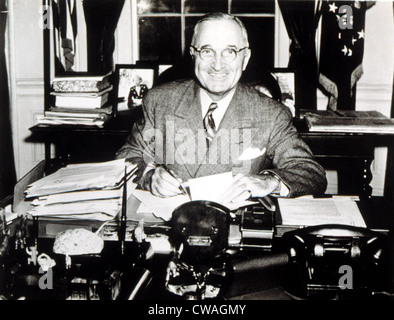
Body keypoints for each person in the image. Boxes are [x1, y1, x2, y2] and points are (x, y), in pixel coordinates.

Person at [116, 12, 327, 210]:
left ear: (245, 59)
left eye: (230, 52)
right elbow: (126, 159)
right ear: (193, 55)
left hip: (234, 230)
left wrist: (269, 181)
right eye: (207, 51)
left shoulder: (270, 114)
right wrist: (150, 176)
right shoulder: (159, 101)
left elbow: (310, 172)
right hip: (172, 222)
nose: (217, 65)